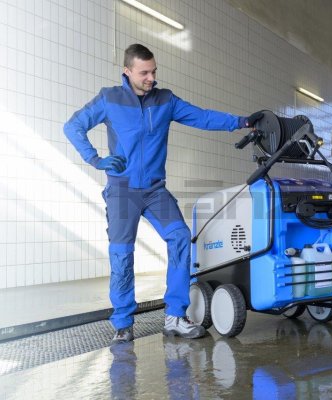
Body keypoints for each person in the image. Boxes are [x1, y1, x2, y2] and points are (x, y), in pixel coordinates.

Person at [64, 44, 264, 343]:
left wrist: (241, 122)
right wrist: (95, 159)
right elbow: (73, 126)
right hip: (122, 191)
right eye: (144, 73)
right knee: (121, 254)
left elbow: (202, 117)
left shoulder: (165, 100)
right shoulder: (110, 98)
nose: (151, 78)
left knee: (180, 237)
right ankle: (123, 323)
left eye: (154, 71)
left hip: (155, 190)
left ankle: (175, 316)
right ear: (127, 71)